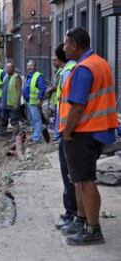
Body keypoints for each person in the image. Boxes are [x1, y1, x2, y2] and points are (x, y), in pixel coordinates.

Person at [60, 27, 118, 245]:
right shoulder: (100, 63)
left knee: (85, 181)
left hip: (83, 132)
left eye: (66, 43)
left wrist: (67, 133)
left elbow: (77, 107)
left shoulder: (84, 69)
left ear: (75, 45)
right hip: (98, 130)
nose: (64, 48)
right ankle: (82, 220)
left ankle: (93, 230)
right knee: (81, 179)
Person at [51, 43, 77, 230]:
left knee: (70, 175)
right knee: (72, 176)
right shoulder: (70, 70)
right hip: (68, 131)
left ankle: (72, 214)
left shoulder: (69, 72)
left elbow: (73, 106)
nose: (52, 60)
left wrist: (65, 132)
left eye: (54, 57)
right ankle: (73, 213)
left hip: (69, 132)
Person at [23, 60, 46, 143]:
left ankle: (37, 137)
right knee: (32, 120)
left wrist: (40, 99)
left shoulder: (38, 76)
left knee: (36, 120)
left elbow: (42, 88)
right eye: (28, 66)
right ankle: (34, 135)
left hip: (34, 102)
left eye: (31, 65)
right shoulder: (28, 76)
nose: (29, 67)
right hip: (28, 102)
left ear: (35, 66)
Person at [0, 62, 22, 135]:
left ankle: (15, 135)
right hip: (4, 103)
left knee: (14, 120)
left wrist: (17, 103)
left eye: (11, 67)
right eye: (7, 67)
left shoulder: (17, 77)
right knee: (3, 118)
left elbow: (19, 91)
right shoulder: (5, 76)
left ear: (13, 69)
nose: (9, 69)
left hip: (13, 104)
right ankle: (3, 132)